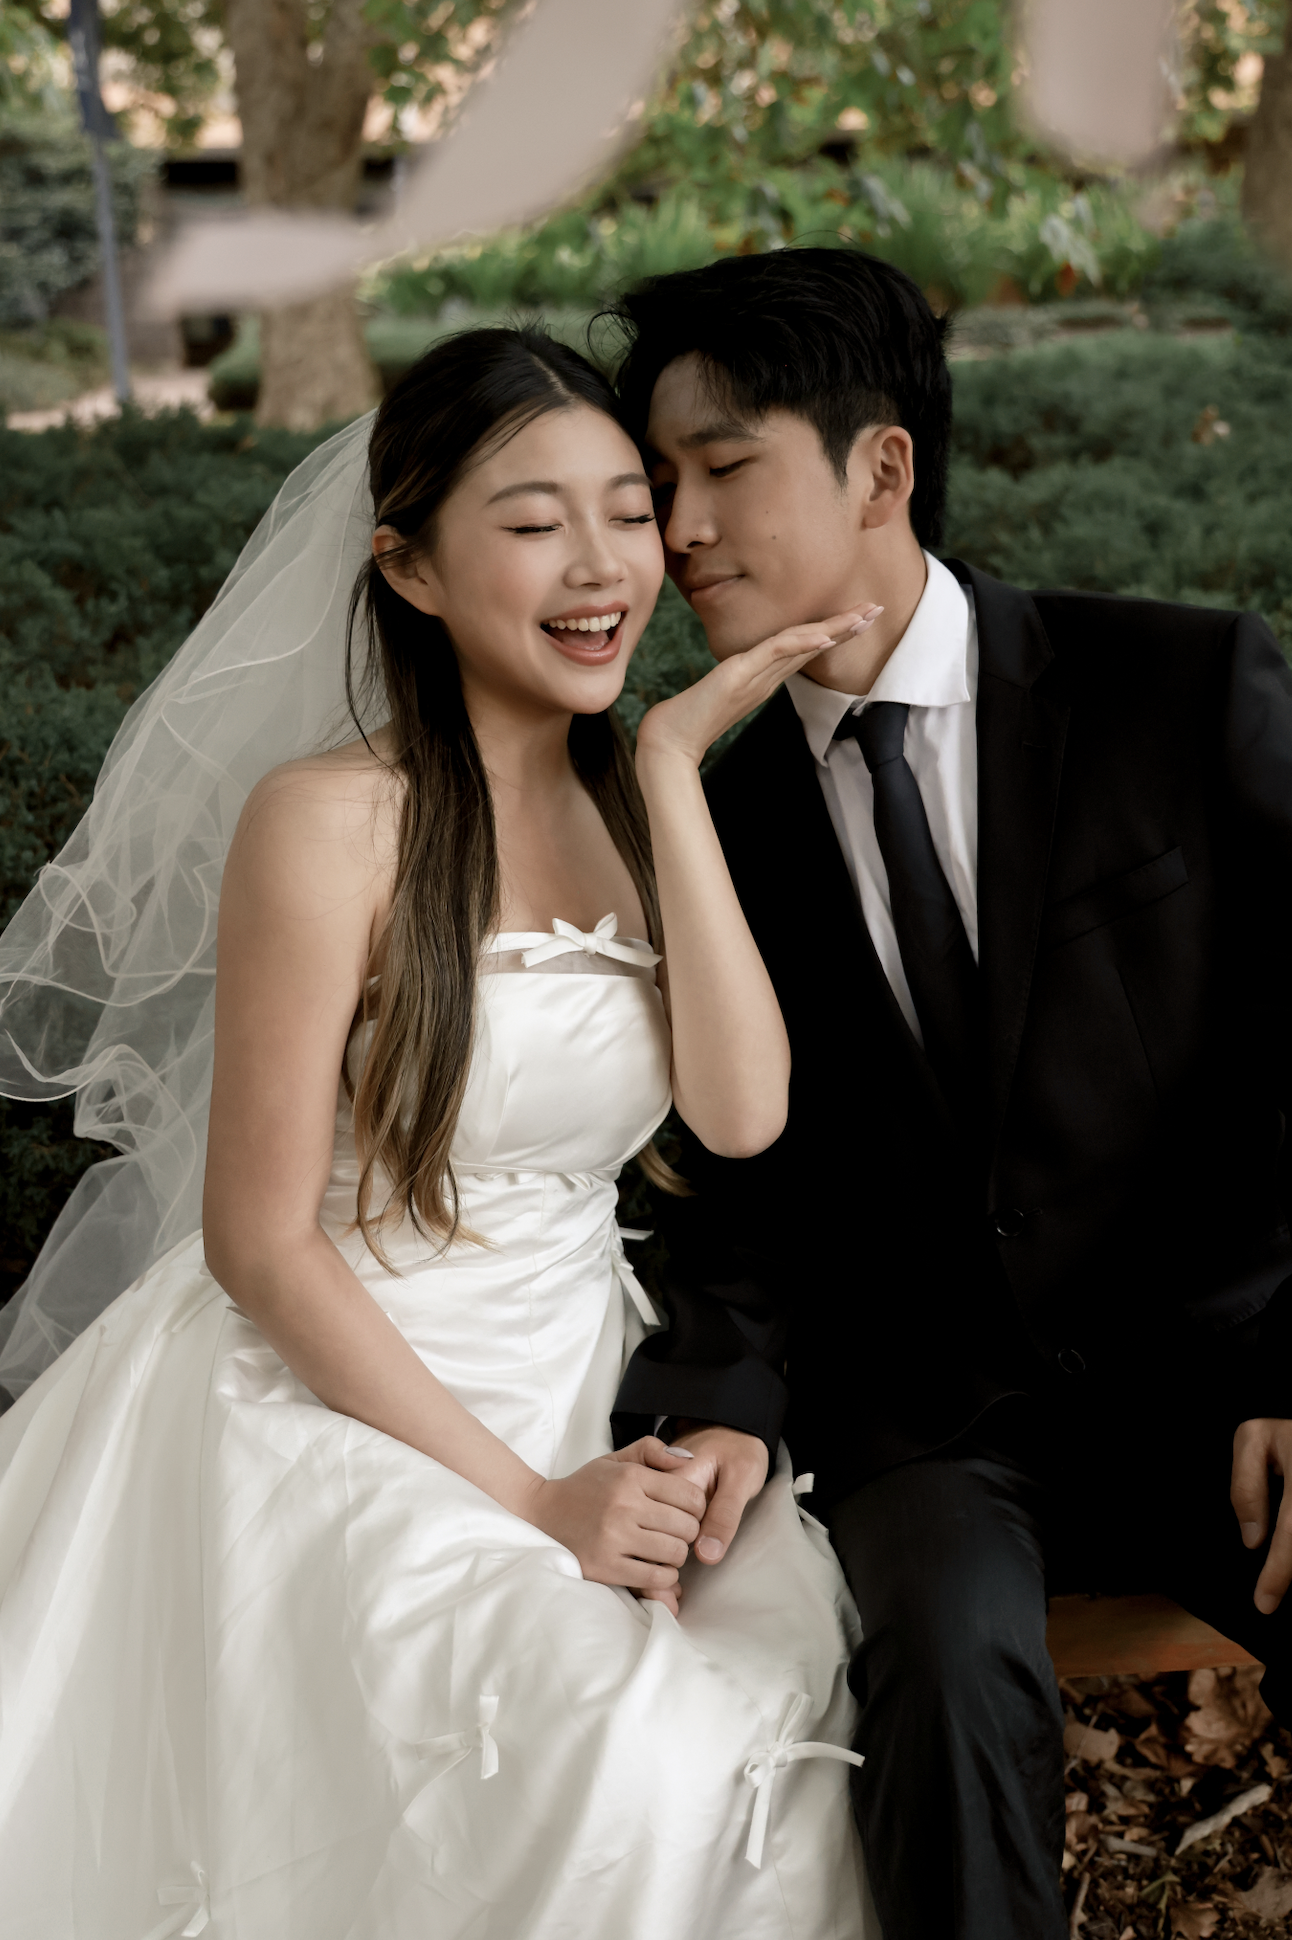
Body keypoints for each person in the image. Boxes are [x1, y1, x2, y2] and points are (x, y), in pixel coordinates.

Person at [0, 327, 877, 1938]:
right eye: (534, 523)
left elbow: (741, 1112)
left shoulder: (640, 806)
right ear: (408, 567)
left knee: (759, 1684)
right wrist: (533, 1504)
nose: (602, 565)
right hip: (334, 1389)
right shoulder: (326, 821)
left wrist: (671, 767)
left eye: (630, 511)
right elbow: (259, 1242)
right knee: (603, 1740)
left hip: (580, 1370)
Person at [607, 247, 1292, 1940]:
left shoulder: (1182, 688)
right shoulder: (711, 817)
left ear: (883, 467)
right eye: (659, 481)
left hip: (1221, 1375)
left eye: (723, 465)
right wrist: (720, 1402)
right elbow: (734, 1181)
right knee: (933, 1657)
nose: (678, 527)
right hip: (928, 1425)